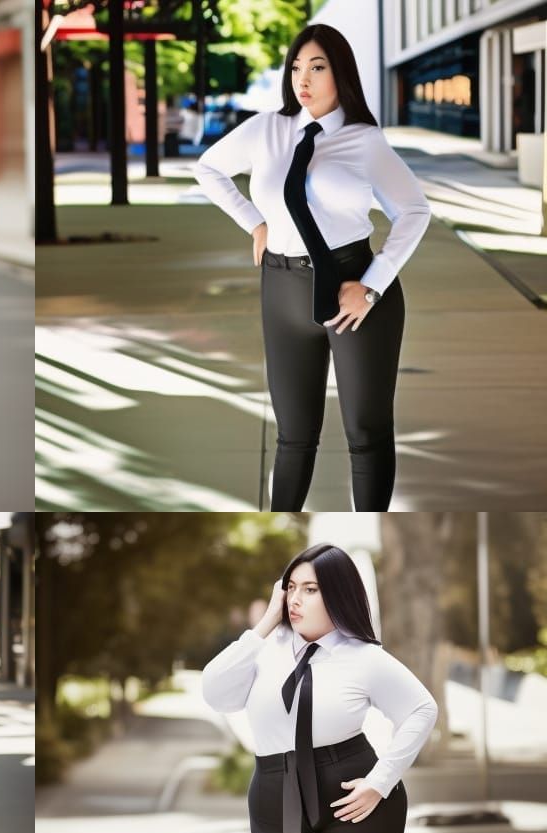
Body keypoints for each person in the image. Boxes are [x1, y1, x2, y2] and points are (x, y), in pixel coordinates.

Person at [193, 25, 431, 512]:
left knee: (366, 434)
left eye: (317, 67)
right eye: (297, 68)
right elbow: (209, 169)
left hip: (352, 289)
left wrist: (372, 286)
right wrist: (254, 222)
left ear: (340, 73)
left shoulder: (364, 140)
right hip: (282, 288)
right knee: (293, 436)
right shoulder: (267, 129)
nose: (303, 79)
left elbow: (414, 211)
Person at [201, 543, 438, 833]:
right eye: (291, 587)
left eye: (310, 589)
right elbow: (215, 691)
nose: (296, 598)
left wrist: (381, 781)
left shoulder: (364, 657)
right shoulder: (263, 653)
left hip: (353, 794)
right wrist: (264, 623)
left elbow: (421, 709)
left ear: (338, 594)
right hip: (277, 794)